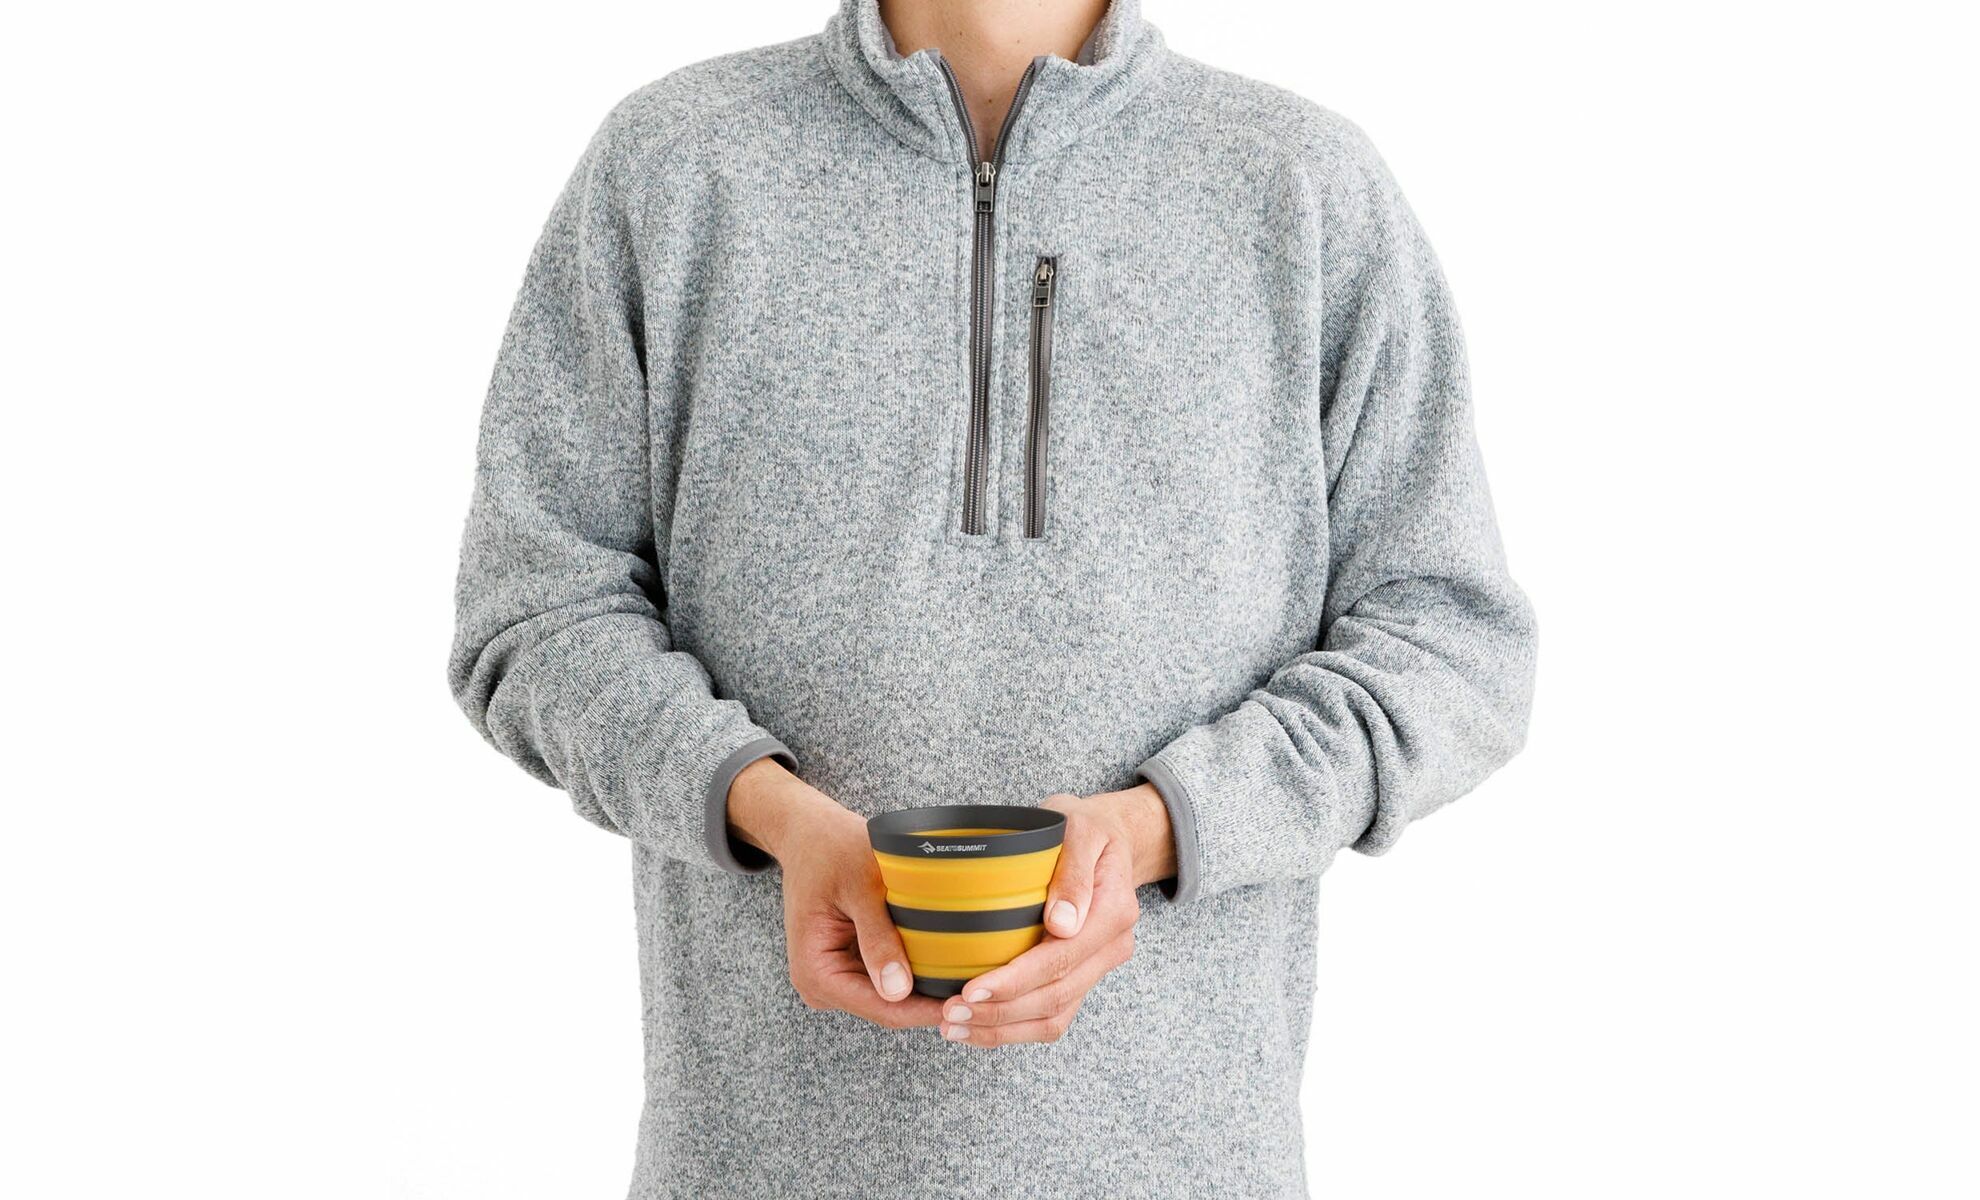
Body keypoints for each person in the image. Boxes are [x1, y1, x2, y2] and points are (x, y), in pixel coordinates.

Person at [447, 0, 1536, 1194]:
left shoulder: (1304, 187)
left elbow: (1450, 641)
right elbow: (537, 611)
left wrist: (1161, 828)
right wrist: (768, 812)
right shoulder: (672, 167)